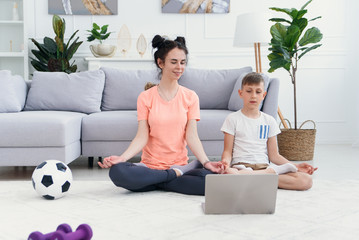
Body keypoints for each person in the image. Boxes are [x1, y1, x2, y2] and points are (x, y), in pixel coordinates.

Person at [98, 35, 223, 195]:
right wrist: (122, 158)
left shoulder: (191, 97)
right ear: (160, 63)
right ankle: (171, 178)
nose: (179, 67)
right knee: (118, 172)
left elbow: (192, 137)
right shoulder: (146, 97)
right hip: (151, 167)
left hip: (179, 164)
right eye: (173, 62)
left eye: (182, 62)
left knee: (210, 180)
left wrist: (206, 162)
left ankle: (154, 182)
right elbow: (142, 137)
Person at [220, 72, 317, 190]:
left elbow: (274, 155)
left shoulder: (269, 121)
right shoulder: (232, 119)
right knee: (229, 173)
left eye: (258, 92)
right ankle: (264, 178)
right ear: (241, 93)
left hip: (263, 168)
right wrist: (225, 162)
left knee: (306, 181)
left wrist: (295, 166)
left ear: (264, 95)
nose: (253, 96)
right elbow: (227, 151)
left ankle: (254, 179)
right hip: (241, 168)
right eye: (249, 91)